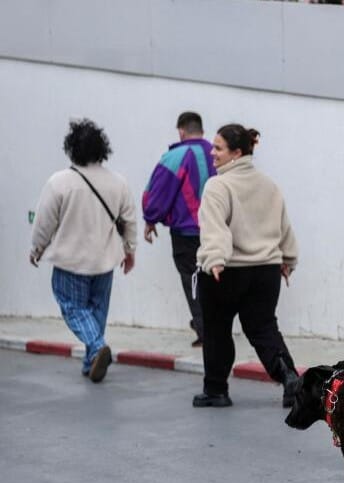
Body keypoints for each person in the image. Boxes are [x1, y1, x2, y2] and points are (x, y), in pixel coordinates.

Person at [192, 124, 300, 408]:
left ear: (236, 153)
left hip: (227, 270)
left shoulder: (218, 185)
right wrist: (288, 258)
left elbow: (214, 228)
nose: (212, 153)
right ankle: (290, 379)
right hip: (266, 270)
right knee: (264, 327)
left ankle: (216, 390)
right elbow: (283, 224)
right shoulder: (269, 184)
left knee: (217, 330)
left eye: (218, 148)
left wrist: (214, 259)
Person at [30, 118, 137, 383]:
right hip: (105, 259)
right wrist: (130, 250)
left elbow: (45, 220)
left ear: (71, 148)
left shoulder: (59, 182)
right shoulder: (118, 182)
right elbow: (130, 220)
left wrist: (37, 248)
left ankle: (97, 347)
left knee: (73, 307)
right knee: (96, 309)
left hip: (71, 261)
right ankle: (92, 361)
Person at [142, 111, 216, 347]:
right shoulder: (218, 153)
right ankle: (212, 326)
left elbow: (158, 192)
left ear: (181, 131)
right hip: (217, 231)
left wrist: (151, 218)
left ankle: (205, 330)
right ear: (202, 130)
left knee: (192, 279)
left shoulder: (175, 156)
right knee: (213, 278)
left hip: (186, 232)